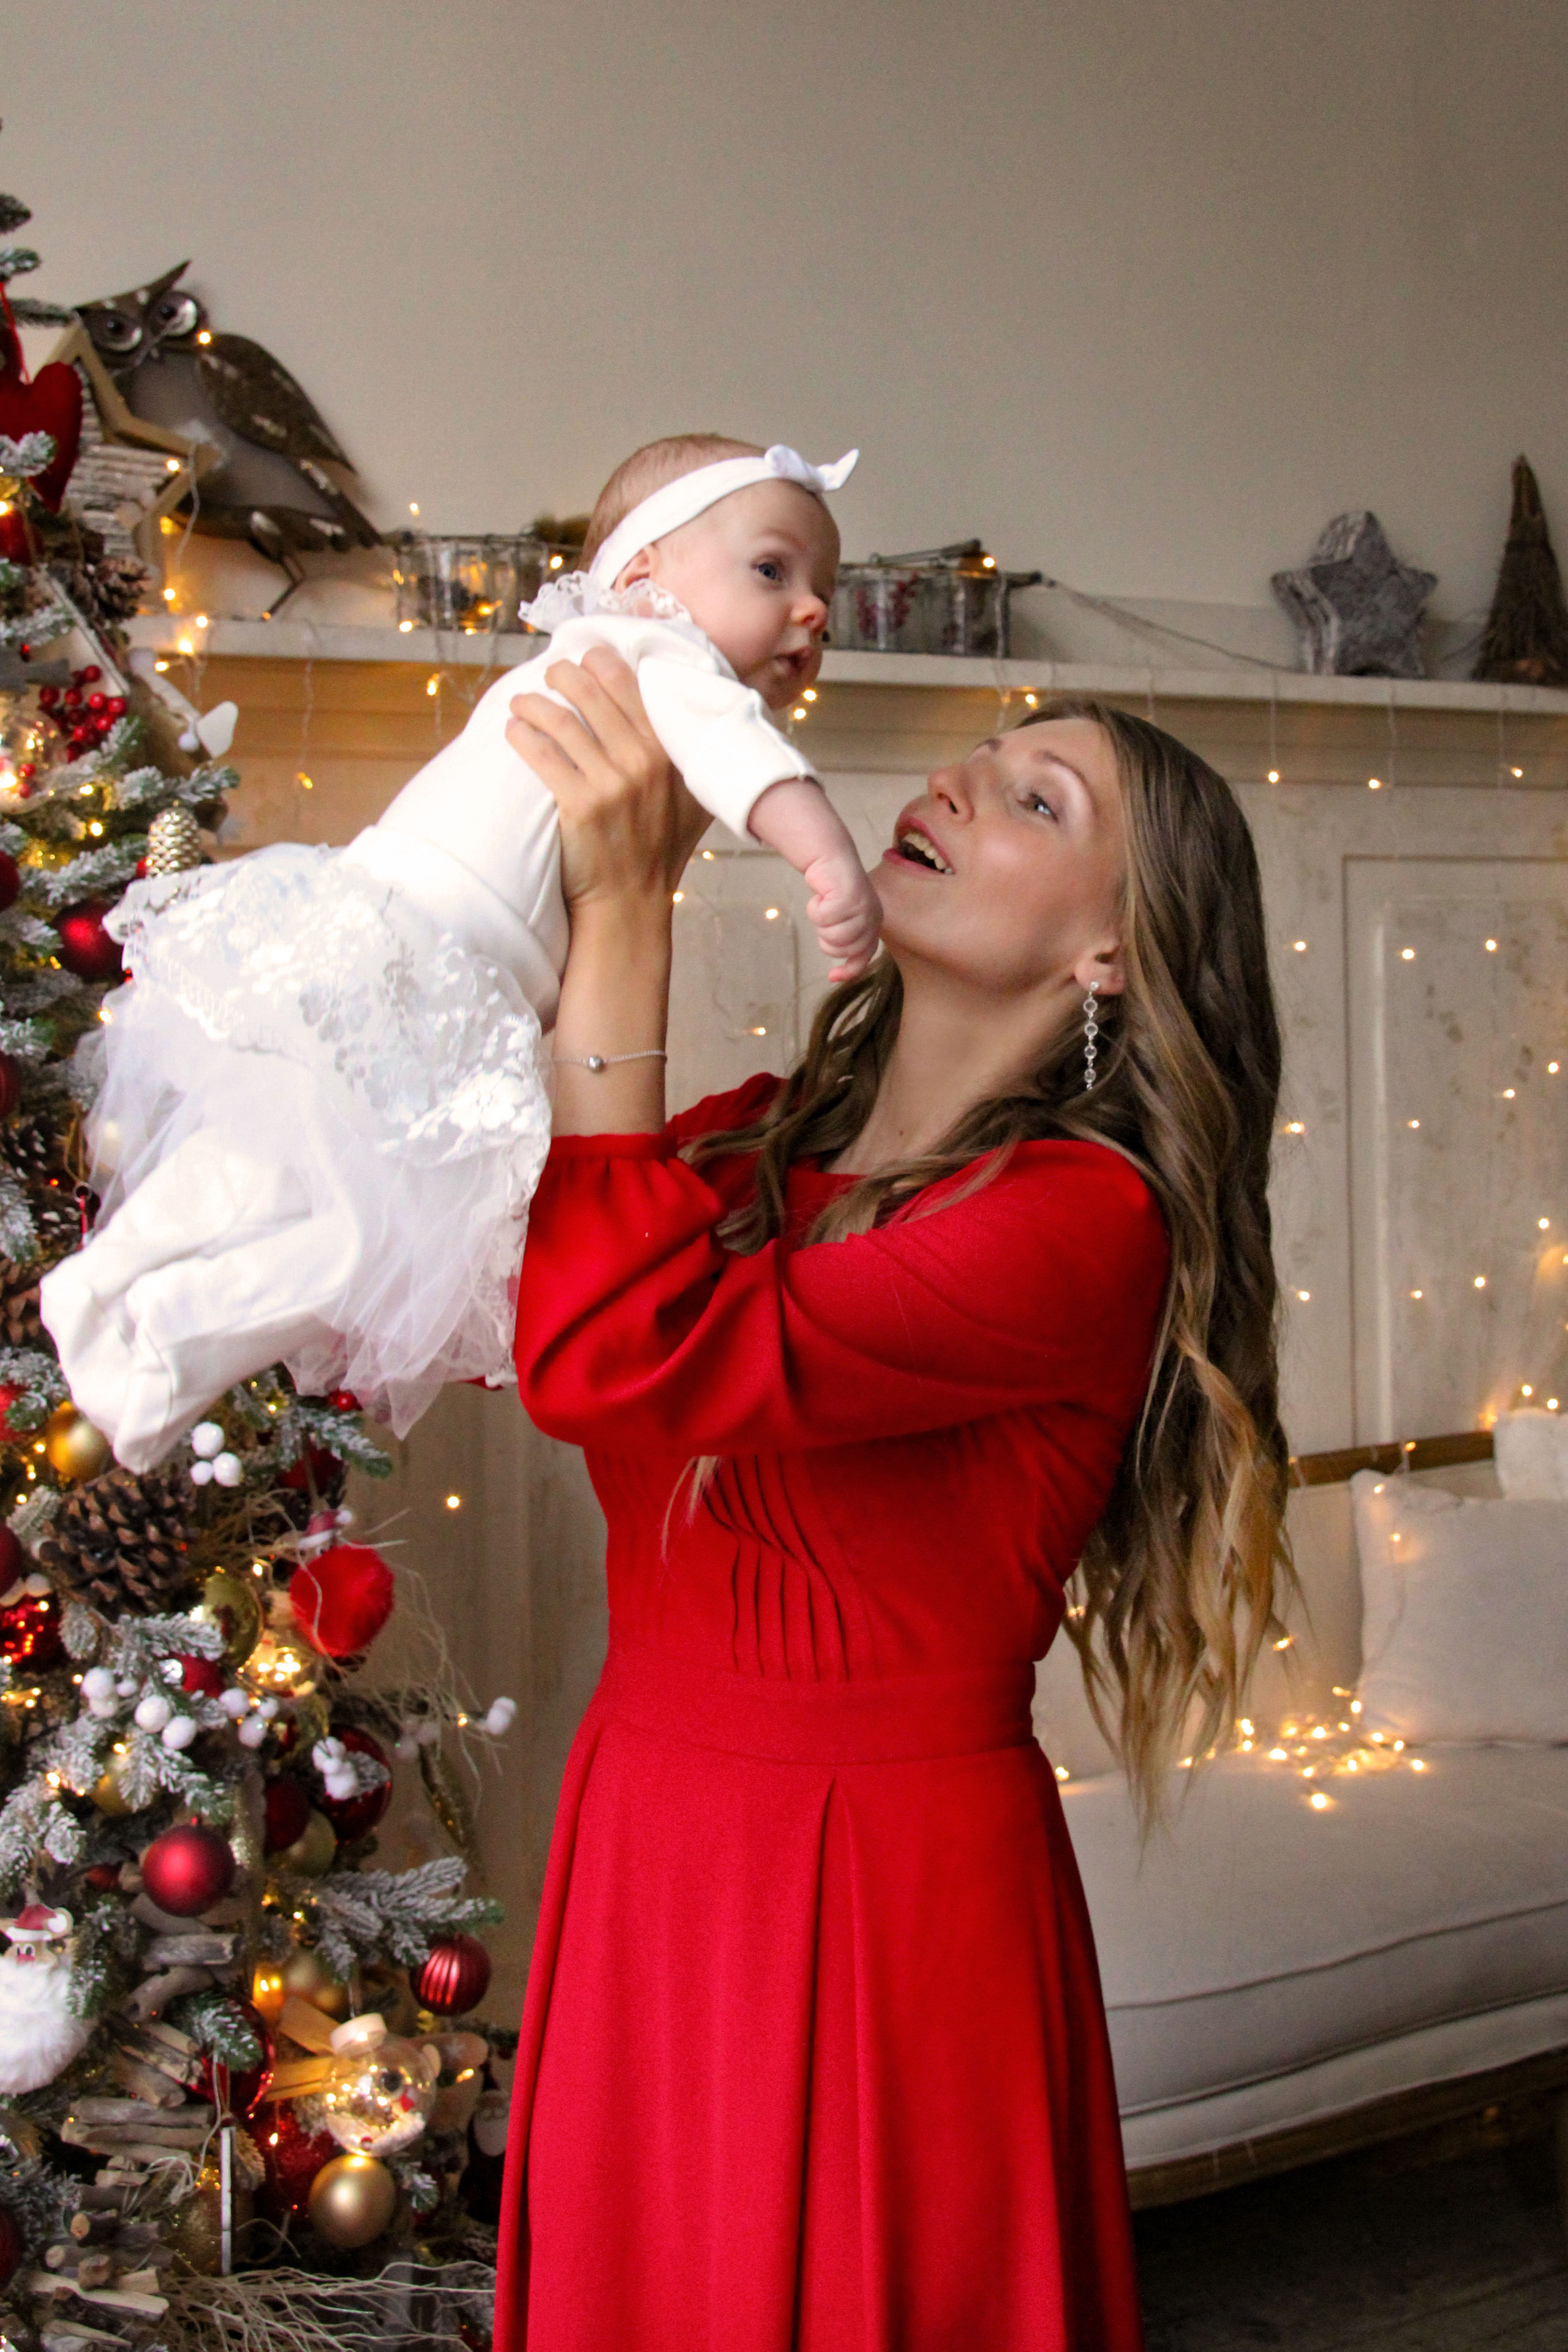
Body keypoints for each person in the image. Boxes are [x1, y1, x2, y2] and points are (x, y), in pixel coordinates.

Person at [495, 655, 1293, 2350]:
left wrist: (631, 903)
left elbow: (611, 1364)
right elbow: (507, 1262)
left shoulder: (1087, 1221)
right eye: (980, 757)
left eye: (1036, 800)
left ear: (1113, 955)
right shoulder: (744, 1151)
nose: (958, 782)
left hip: (880, 1887)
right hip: (646, 1841)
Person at [41, 435, 878, 1471]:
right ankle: (164, 1342)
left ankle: (120, 1290)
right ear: (641, 575)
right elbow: (742, 756)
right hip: (430, 973)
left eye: (823, 593)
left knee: (266, 1167)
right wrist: (828, 855)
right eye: (773, 570)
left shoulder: (602, 668)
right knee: (354, 1237)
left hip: (376, 931)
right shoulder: (655, 652)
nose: (811, 611)